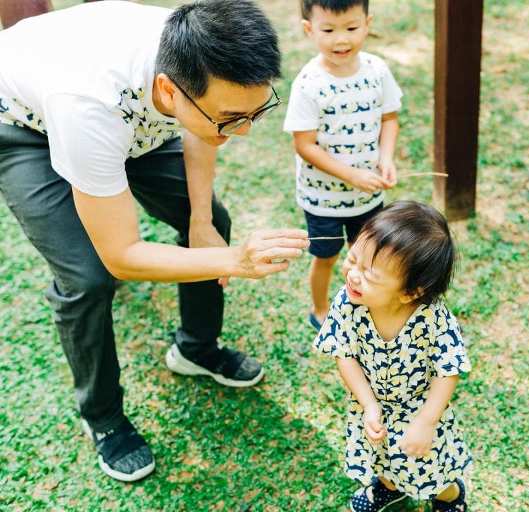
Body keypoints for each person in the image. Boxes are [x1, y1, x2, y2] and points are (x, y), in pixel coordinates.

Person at [0, 0, 309, 482]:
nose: (244, 132)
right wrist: (235, 261)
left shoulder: (197, 52)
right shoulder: (88, 105)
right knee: (88, 278)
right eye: (233, 118)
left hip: (137, 119)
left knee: (209, 220)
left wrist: (203, 222)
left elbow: (206, 130)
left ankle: (196, 348)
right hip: (25, 127)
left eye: (256, 112)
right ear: (169, 90)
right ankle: (102, 417)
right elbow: (123, 255)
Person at [314, 201, 472, 512]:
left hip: (419, 410)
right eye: (353, 259)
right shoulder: (348, 303)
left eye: (369, 274)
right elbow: (344, 355)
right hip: (371, 403)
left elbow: (448, 370)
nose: (353, 275)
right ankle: (389, 488)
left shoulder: (432, 318)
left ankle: (451, 496)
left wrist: (427, 422)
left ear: (411, 291)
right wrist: (368, 404)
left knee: (429, 470)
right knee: (382, 458)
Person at [283, 0, 402, 331]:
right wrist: (352, 176)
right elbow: (304, 145)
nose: (341, 40)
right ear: (309, 29)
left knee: (370, 255)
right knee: (327, 256)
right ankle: (320, 310)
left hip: (368, 196)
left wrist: (386, 157)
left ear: (367, 22)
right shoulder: (308, 83)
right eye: (328, 30)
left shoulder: (377, 71)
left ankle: (366, 304)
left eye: (351, 28)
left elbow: (389, 119)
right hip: (323, 200)